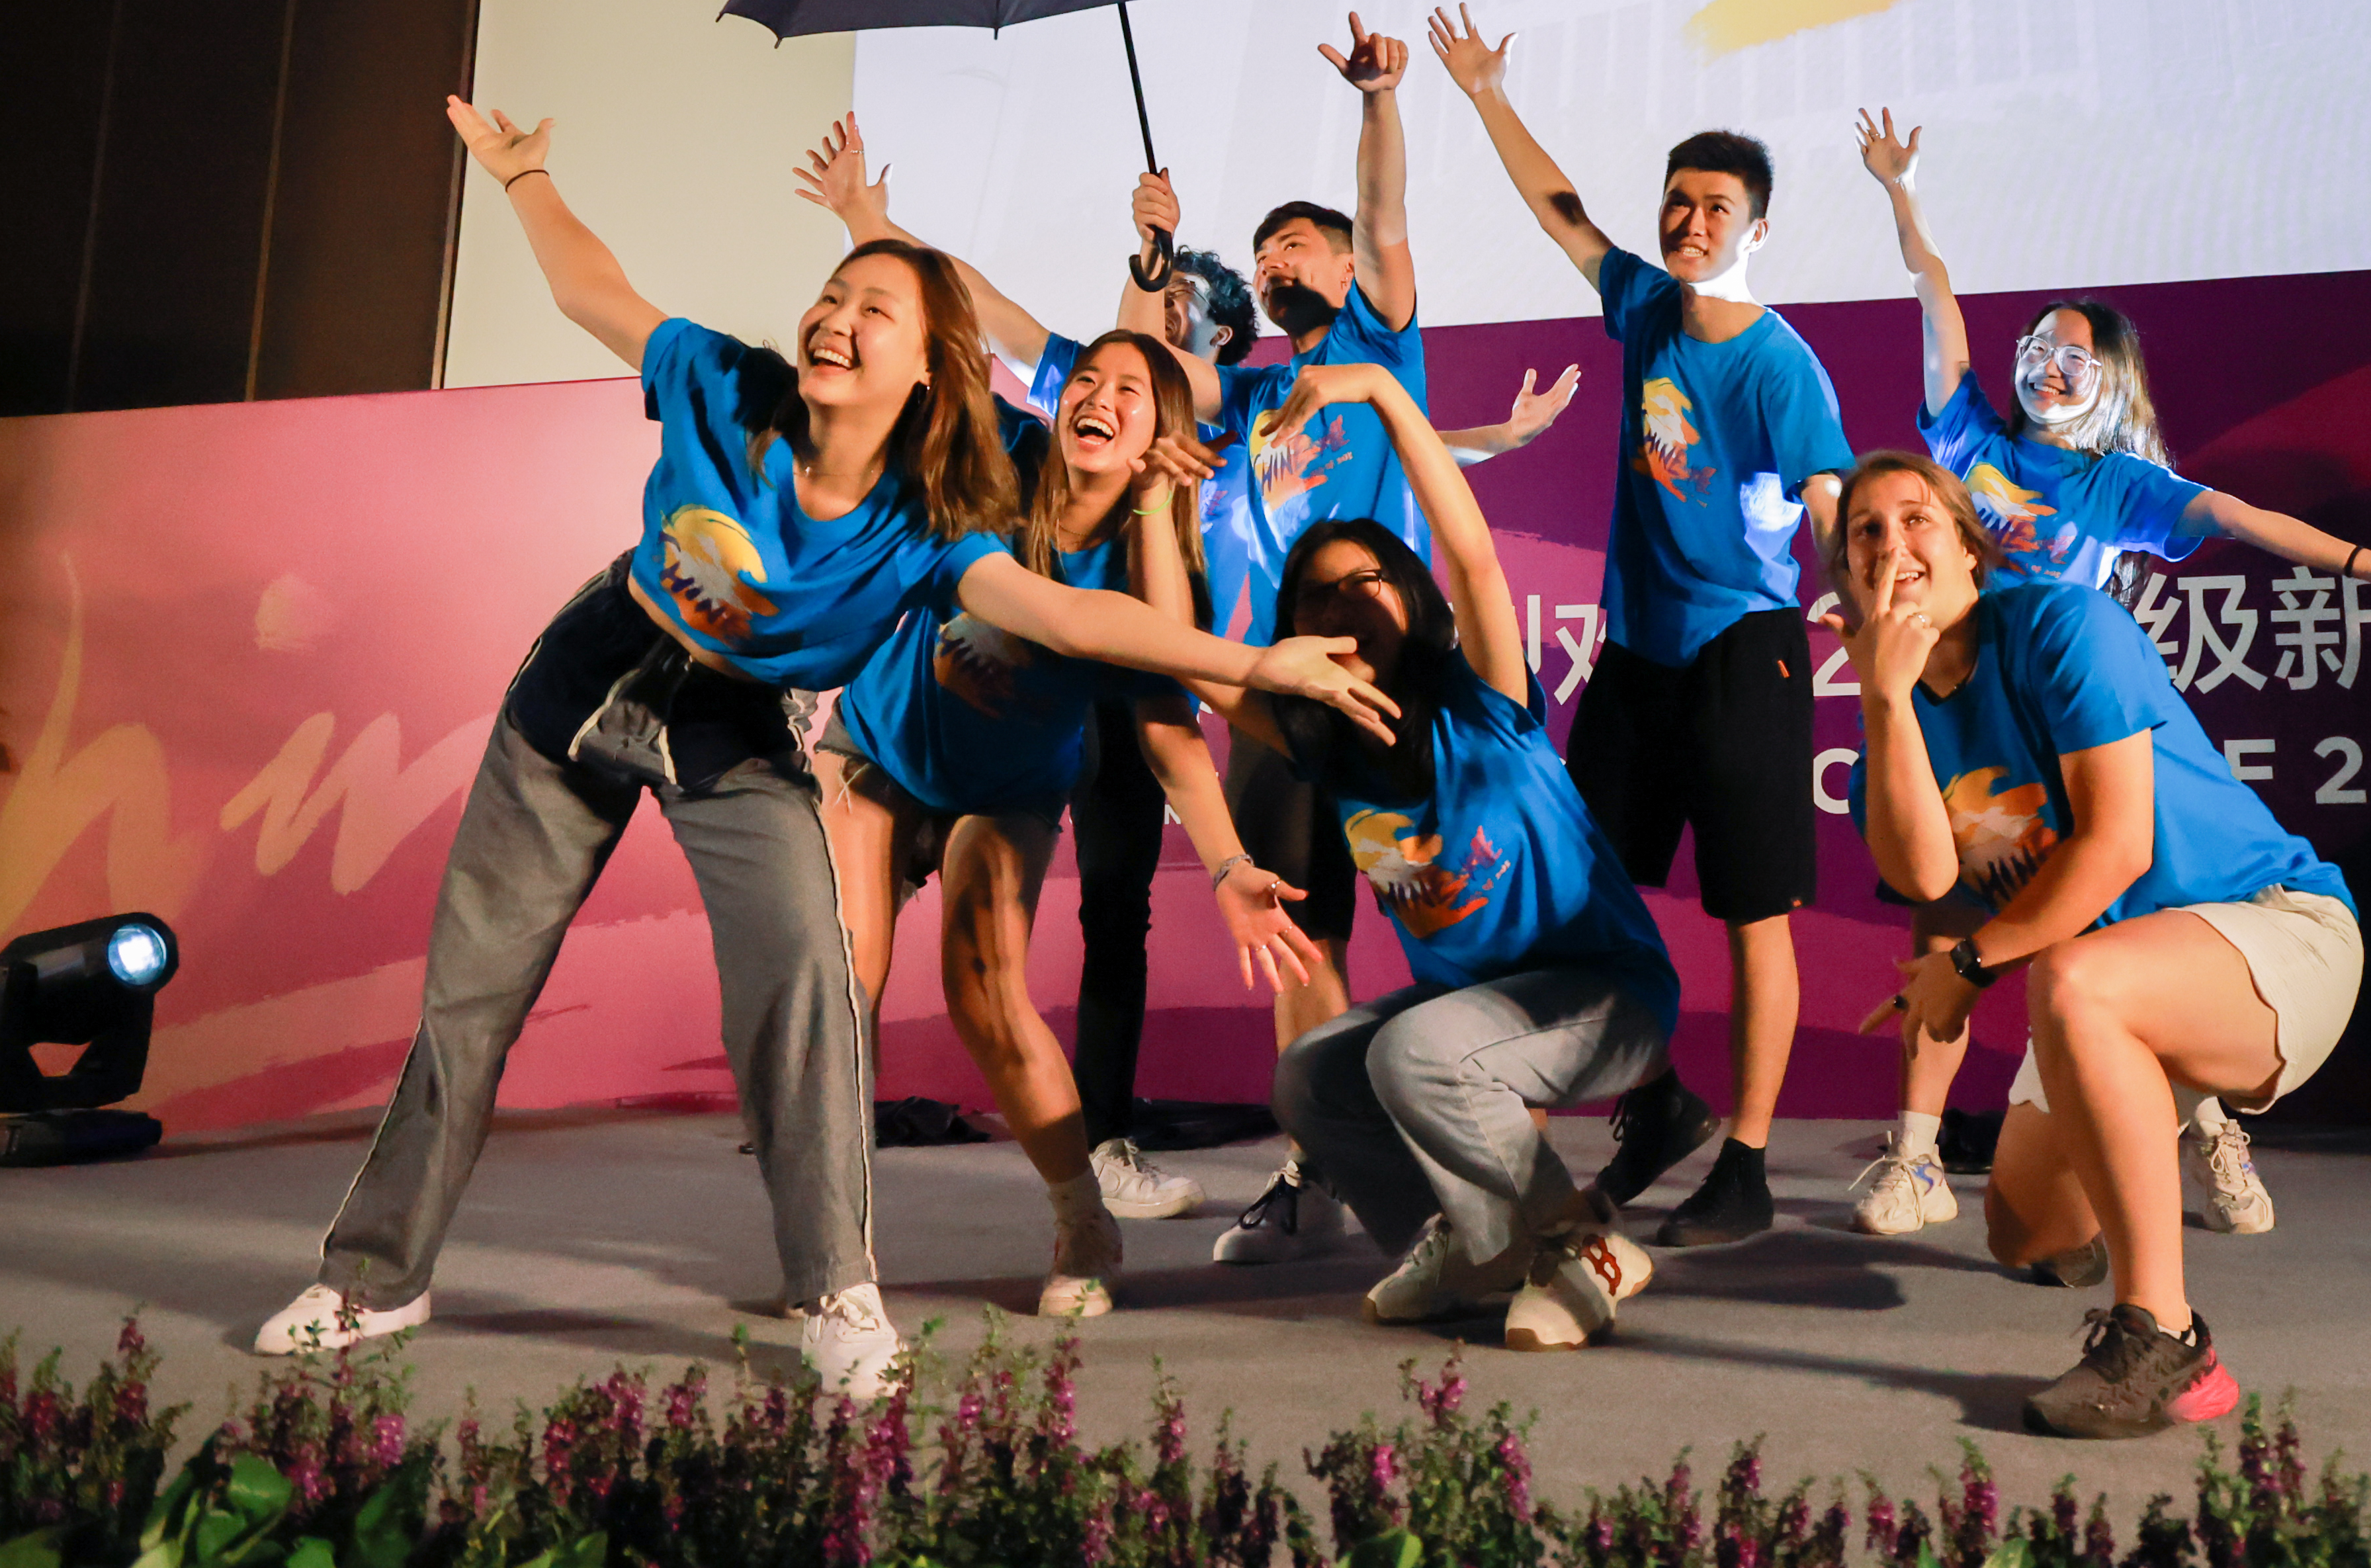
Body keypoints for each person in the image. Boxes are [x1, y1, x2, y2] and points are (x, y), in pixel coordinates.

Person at [249, 99, 1346, 1392]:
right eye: (833, 295)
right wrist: (526, 182)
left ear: (925, 371)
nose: (836, 316)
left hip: (754, 739)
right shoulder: (734, 385)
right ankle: (372, 1279)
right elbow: (600, 294)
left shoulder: (938, 521)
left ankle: (842, 1286)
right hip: (587, 694)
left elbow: (1084, 626)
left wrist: (1251, 665)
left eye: (873, 310)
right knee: (472, 1010)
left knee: (819, 987)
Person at [794, 99, 1573, 1254]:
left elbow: (1383, 227)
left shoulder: (1375, 351)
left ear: (1351, 273)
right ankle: (1316, 1170)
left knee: (1468, 916)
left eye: (1295, 246)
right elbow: (1030, 340)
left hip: (1380, 688)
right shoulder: (1224, 411)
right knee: (1305, 929)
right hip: (1261, 700)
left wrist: (1375, 99)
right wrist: (875, 216)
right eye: (1261, 253)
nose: (1273, 262)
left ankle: (1525, 1170)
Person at [1844, 110, 2371, 1246]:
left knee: (2147, 908)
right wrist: (1903, 194)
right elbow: (1935, 292)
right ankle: (1917, 1156)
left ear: (2109, 379)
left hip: (2076, 724)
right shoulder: (1964, 444)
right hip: (1969, 723)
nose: (2045, 366)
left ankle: (2215, 1118)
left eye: (2073, 357)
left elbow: (2238, 516)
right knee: (1947, 913)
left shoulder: (2122, 485)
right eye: (2036, 347)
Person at [817, 329, 1369, 1318]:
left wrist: (1232, 862)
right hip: (876, 750)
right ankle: (828, 1244)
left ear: (1162, 437)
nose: (1099, 397)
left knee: (984, 993)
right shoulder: (1005, 460)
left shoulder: (1136, 572)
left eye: (1132, 392)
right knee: (841, 984)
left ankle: (1081, 1217)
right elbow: (924, 379)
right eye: (1088, 380)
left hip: (1011, 787)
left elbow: (1169, 733)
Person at [1429, 4, 1853, 1248]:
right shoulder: (1646, 308)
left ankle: (1751, 1164)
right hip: (1637, 654)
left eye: (1715, 207)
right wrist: (1485, 93)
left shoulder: (1781, 365)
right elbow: (1564, 212)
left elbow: (1827, 493)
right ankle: (1660, 1103)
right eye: (1677, 200)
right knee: (1576, 901)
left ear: (1757, 230)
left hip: (1745, 654)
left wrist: (1864, 611)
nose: (1688, 220)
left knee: (1750, 914)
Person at [1839, 450, 2365, 1437]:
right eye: (1864, 531)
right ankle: (2149, 1128)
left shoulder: (2064, 626)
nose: (1891, 543)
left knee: (2076, 982)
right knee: (2023, 1233)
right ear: (1846, 579)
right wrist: (1883, 699)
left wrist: (1967, 967)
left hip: (2274, 931)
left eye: (1915, 519)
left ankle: (2166, 1337)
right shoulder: (1899, 709)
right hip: (2120, 987)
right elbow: (1926, 883)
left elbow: (2116, 849)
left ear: (1966, 546)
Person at [1224, 359, 1678, 1350]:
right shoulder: (1324, 743)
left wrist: (1389, 398)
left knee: (1412, 1050)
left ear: (1411, 597)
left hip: (1605, 997)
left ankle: (1577, 1245)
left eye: (1366, 582)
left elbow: (1471, 555)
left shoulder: (1482, 700)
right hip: (1478, 1021)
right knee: (1312, 1078)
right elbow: (1191, 665)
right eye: (1316, 596)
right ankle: (1477, 1244)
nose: (1341, 604)